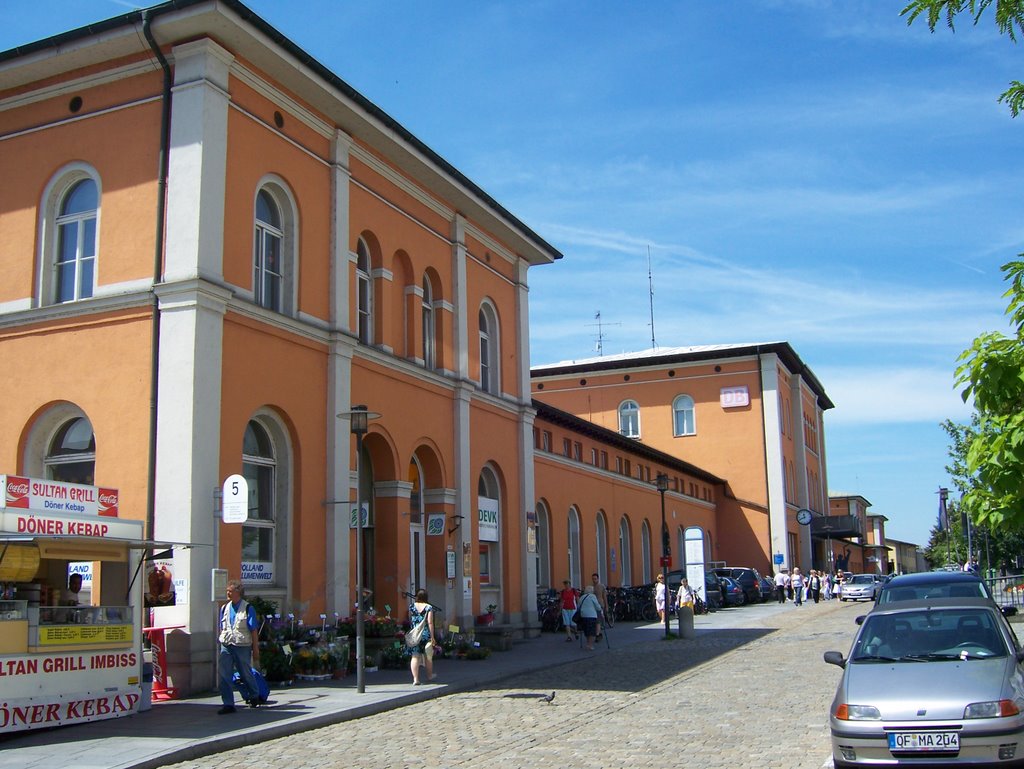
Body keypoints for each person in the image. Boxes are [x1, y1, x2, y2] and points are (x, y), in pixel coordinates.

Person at [217, 580, 261, 714]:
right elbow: (221, 627)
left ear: (238, 593)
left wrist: (255, 649)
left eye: (230, 591)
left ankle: (254, 696)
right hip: (227, 645)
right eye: (227, 591)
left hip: (242, 645)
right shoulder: (224, 608)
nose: (228, 593)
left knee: (245, 672)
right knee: (224, 675)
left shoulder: (248, 608)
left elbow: (253, 630)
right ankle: (228, 704)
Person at [405, 589, 439, 685]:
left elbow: (410, 619)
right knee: (428, 656)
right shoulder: (428, 607)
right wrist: (432, 636)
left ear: (417, 597)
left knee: (415, 656)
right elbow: (430, 622)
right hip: (425, 634)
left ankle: (416, 679)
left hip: (415, 635)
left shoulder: (411, 607)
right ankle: (429, 675)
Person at [577, 585, 602, 650]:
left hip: (583, 615)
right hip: (591, 615)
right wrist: (600, 609)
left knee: (586, 630)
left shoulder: (582, 597)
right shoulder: (592, 596)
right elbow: (597, 606)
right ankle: (590, 645)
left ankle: (588, 643)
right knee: (592, 631)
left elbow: (578, 606)